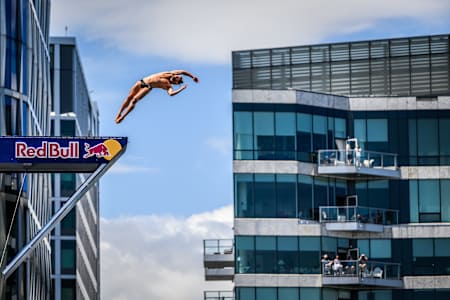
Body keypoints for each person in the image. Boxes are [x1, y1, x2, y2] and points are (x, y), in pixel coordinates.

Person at [115, 70, 200, 124]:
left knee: (134, 100)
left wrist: (181, 89)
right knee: (129, 97)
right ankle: (119, 113)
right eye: (177, 76)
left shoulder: (168, 86)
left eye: (177, 78)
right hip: (142, 81)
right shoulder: (170, 73)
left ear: (176, 82)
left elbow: (171, 94)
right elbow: (183, 71)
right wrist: (192, 76)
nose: (176, 76)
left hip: (147, 87)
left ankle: (123, 117)